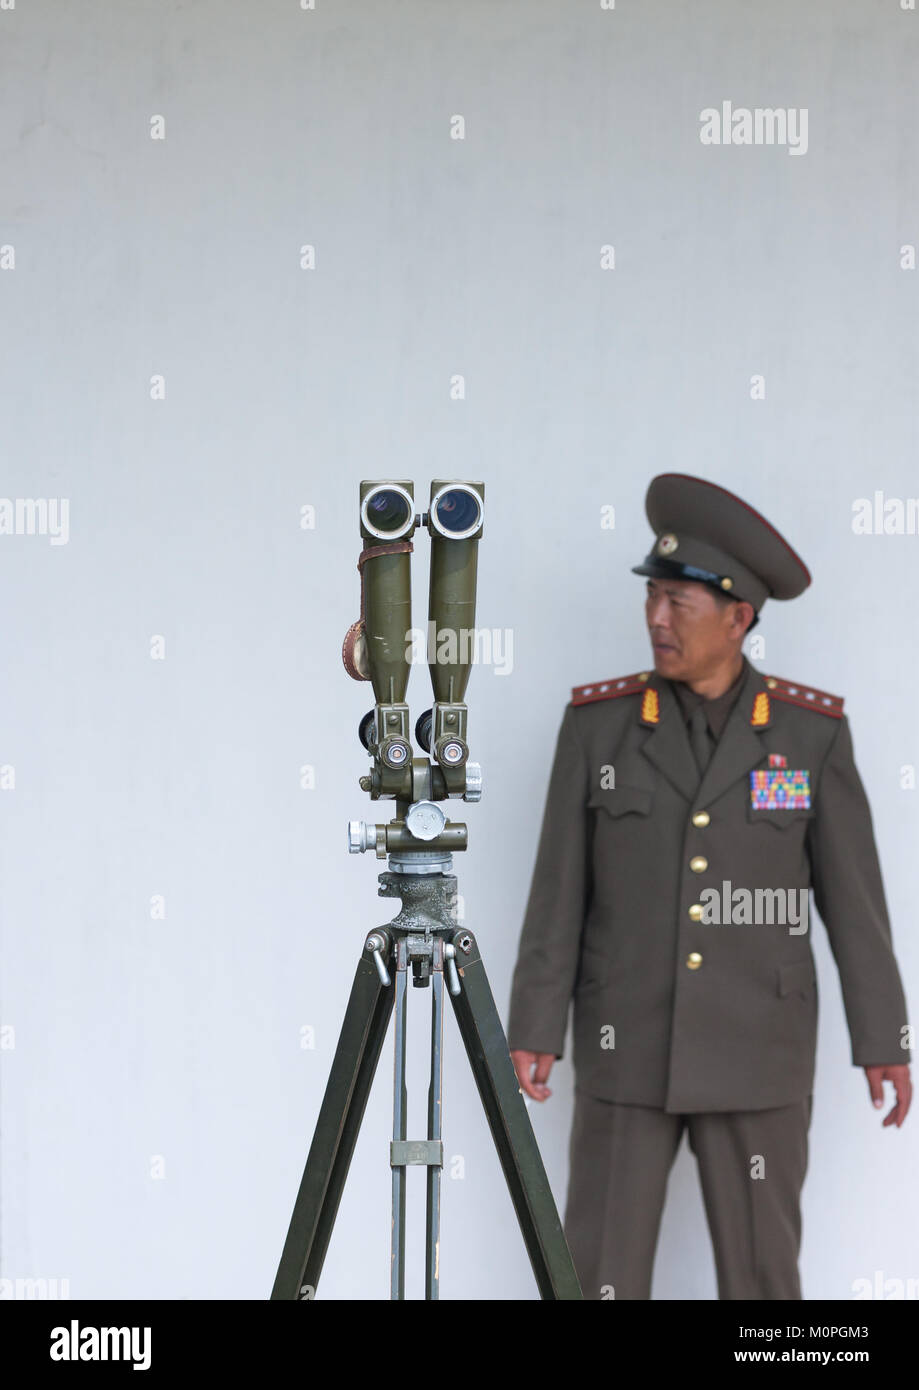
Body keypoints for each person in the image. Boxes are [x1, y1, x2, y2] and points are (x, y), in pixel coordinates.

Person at [506, 472, 912, 1300]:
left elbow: (853, 905)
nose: (656, 620)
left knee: (764, 1286)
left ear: (738, 618)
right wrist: (535, 1023)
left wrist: (884, 1038)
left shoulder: (808, 737)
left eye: (677, 605)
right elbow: (558, 891)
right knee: (596, 1277)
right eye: (652, 599)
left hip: (757, 1055)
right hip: (629, 1049)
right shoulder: (598, 728)